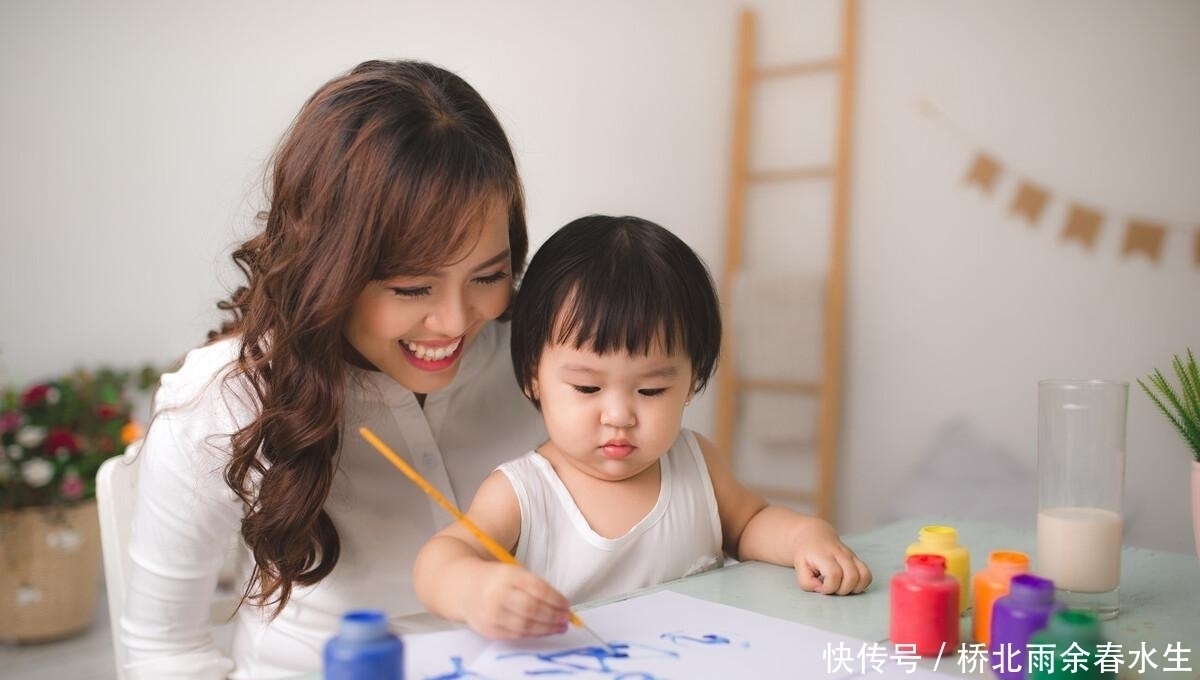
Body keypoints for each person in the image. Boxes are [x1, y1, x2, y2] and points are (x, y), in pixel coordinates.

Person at [120, 59, 547, 679]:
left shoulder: (541, 361)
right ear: (330, 268)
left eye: (487, 276)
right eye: (410, 288)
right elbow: (164, 653)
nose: (455, 321)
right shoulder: (225, 400)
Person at [413, 215, 873, 641]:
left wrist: (805, 536)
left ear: (691, 381)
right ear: (535, 375)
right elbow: (441, 561)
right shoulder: (523, 492)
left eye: (650, 391)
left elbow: (750, 523)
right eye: (588, 388)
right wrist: (476, 589)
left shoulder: (695, 463)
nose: (619, 415)